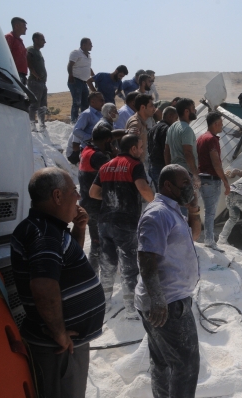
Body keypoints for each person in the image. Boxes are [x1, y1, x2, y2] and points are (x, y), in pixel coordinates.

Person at [11, 168, 105, 398]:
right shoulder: (44, 234)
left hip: (63, 346)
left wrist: (79, 230)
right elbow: (43, 286)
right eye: (74, 190)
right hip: (59, 348)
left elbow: (62, 266)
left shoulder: (49, 229)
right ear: (57, 196)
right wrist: (59, 333)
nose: (79, 197)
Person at [135, 164, 200, 398]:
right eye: (184, 183)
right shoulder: (159, 213)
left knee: (163, 362)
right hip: (168, 304)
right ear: (168, 185)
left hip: (169, 300)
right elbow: (146, 256)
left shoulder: (172, 211)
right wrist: (158, 298)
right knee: (186, 367)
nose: (189, 187)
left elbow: (192, 236)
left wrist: (193, 211)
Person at [89, 134, 154, 318]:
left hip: (104, 221)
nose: (142, 151)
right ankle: (131, 309)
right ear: (133, 148)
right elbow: (142, 187)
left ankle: (105, 302)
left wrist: (111, 196)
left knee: (107, 263)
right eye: (140, 147)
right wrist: (155, 202)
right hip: (125, 223)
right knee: (129, 265)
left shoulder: (106, 166)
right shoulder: (135, 165)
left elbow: (93, 192)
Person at [164, 98, 201, 239]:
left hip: (174, 173)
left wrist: (168, 168)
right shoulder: (186, 129)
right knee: (187, 207)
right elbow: (188, 153)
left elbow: (166, 151)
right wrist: (195, 175)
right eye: (193, 108)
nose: (195, 110)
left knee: (177, 206)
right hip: (185, 175)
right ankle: (184, 240)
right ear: (187, 111)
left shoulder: (172, 127)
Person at [78, 126, 112, 274]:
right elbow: (112, 174)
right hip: (97, 204)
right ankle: (96, 276)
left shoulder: (86, 150)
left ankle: (92, 274)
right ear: (107, 140)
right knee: (100, 244)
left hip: (87, 203)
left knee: (96, 242)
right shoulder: (99, 157)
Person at [196, 112, 230, 248]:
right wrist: (226, 182)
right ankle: (209, 240)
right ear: (215, 124)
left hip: (201, 178)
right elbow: (216, 163)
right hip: (211, 180)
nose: (222, 126)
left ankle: (205, 238)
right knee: (210, 212)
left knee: (204, 210)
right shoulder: (212, 139)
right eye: (221, 123)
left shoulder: (201, 138)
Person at [148, 106, 178, 191]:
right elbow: (167, 151)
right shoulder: (167, 129)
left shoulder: (153, 128)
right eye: (176, 118)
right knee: (166, 194)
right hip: (161, 167)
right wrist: (169, 169)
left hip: (152, 166)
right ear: (170, 116)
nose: (176, 121)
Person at [67, 38, 94, 123]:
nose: (91, 46)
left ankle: (84, 120)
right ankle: (74, 120)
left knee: (85, 103)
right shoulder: (76, 53)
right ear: (84, 45)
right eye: (90, 44)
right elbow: (70, 65)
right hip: (76, 80)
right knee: (77, 101)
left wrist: (95, 77)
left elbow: (88, 68)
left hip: (84, 82)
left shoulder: (88, 56)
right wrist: (70, 75)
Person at [126, 93, 155, 170]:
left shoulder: (144, 122)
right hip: (136, 166)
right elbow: (131, 149)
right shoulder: (135, 124)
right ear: (143, 107)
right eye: (151, 106)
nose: (154, 109)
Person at [26, 31, 48, 132]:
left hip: (42, 83)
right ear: (36, 40)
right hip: (35, 82)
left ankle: (42, 124)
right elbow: (29, 63)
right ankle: (32, 124)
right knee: (34, 103)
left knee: (43, 105)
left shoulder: (39, 52)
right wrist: (36, 75)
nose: (44, 42)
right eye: (42, 39)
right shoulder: (31, 50)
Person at [5, 17, 28, 84]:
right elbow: (5, 56)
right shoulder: (9, 37)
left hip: (21, 74)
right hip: (14, 74)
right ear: (16, 26)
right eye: (24, 26)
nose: (26, 28)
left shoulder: (19, 40)